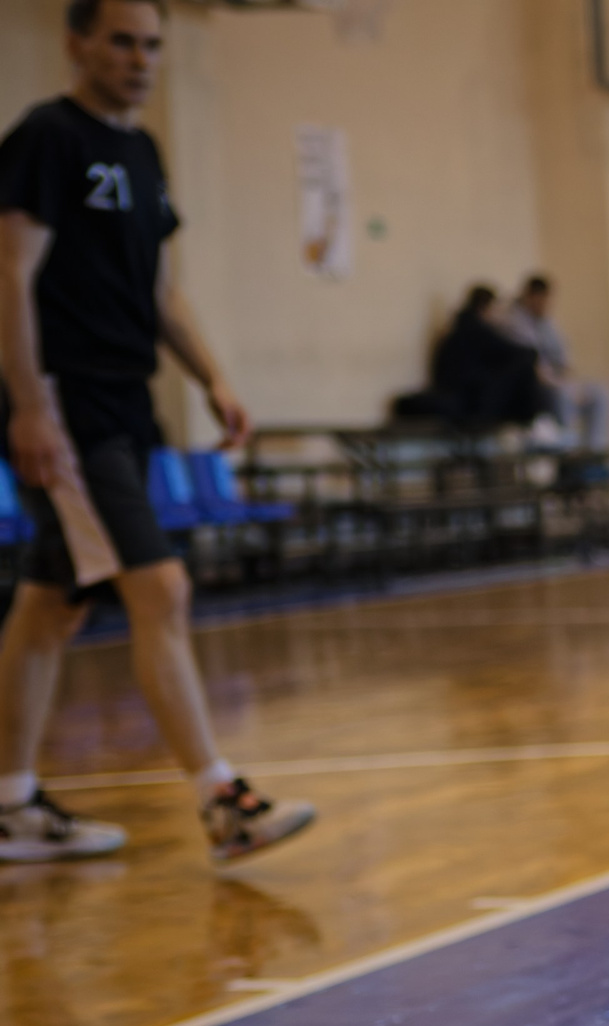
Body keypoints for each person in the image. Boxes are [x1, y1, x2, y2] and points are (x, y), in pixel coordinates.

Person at [0, 0, 313, 865]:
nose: (140, 59)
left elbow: (162, 291)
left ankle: (10, 804)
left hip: (127, 402)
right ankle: (223, 800)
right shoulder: (46, 139)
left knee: (50, 604)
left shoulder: (141, 152)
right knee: (160, 590)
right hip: (66, 404)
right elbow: (9, 276)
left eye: (152, 45)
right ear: (77, 44)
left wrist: (212, 377)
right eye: (122, 41)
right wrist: (27, 404)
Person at [409, 284, 543, 432]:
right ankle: (530, 427)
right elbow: (516, 352)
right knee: (524, 366)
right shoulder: (476, 329)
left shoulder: (459, 327)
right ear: (485, 308)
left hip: (461, 392)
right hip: (470, 398)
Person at [503, 274, 609, 452]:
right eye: (541, 301)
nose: (545, 306)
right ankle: (568, 459)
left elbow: (564, 359)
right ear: (530, 297)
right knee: (563, 395)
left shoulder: (547, 321)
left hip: (557, 381)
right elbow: (532, 365)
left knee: (600, 393)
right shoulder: (512, 321)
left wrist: (571, 384)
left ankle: (594, 456)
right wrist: (565, 387)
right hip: (531, 388)